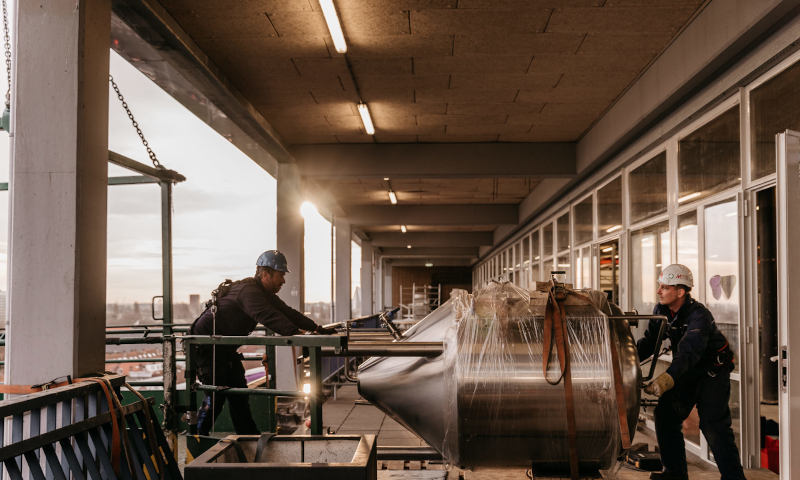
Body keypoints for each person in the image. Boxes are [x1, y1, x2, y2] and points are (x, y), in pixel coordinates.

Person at [190, 250, 337, 435]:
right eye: (280, 275)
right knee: (215, 399)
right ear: (265, 274)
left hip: (224, 351)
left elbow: (287, 312)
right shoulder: (249, 292)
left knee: (239, 397)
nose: (283, 281)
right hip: (206, 349)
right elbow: (268, 316)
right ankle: (195, 440)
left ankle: (249, 439)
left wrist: (317, 329)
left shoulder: (261, 292)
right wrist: (296, 333)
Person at [637, 264, 745, 480]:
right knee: (666, 414)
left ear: (680, 291)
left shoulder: (699, 315)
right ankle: (674, 474)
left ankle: (734, 478)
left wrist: (667, 379)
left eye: (664, 287)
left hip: (712, 371)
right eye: (659, 286)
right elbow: (650, 342)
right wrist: (624, 361)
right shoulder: (661, 311)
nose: (658, 291)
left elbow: (689, 351)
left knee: (713, 424)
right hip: (688, 371)